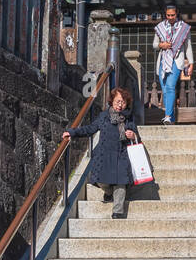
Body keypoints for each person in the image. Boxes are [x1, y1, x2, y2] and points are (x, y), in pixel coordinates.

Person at [60, 87, 140, 219]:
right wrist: (72, 132)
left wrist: (133, 135)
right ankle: (109, 193)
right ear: (112, 101)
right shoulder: (104, 116)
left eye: (124, 102)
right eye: (118, 101)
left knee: (121, 182)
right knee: (101, 181)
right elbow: (90, 129)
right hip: (105, 154)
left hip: (122, 154)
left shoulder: (128, 119)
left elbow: (137, 136)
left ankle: (118, 211)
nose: (120, 105)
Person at [153, 4, 192, 124]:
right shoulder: (160, 27)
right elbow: (154, 44)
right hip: (163, 60)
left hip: (176, 60)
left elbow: (188, 47)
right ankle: (172, 119)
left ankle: (168, 116)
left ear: (177, 14)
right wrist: (161, 45)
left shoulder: (184, 28)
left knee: (170, 87)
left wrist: (191, 63)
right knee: (165, 90)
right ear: (165, 14)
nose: (170, 17)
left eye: (173, 15)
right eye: (168, 15)